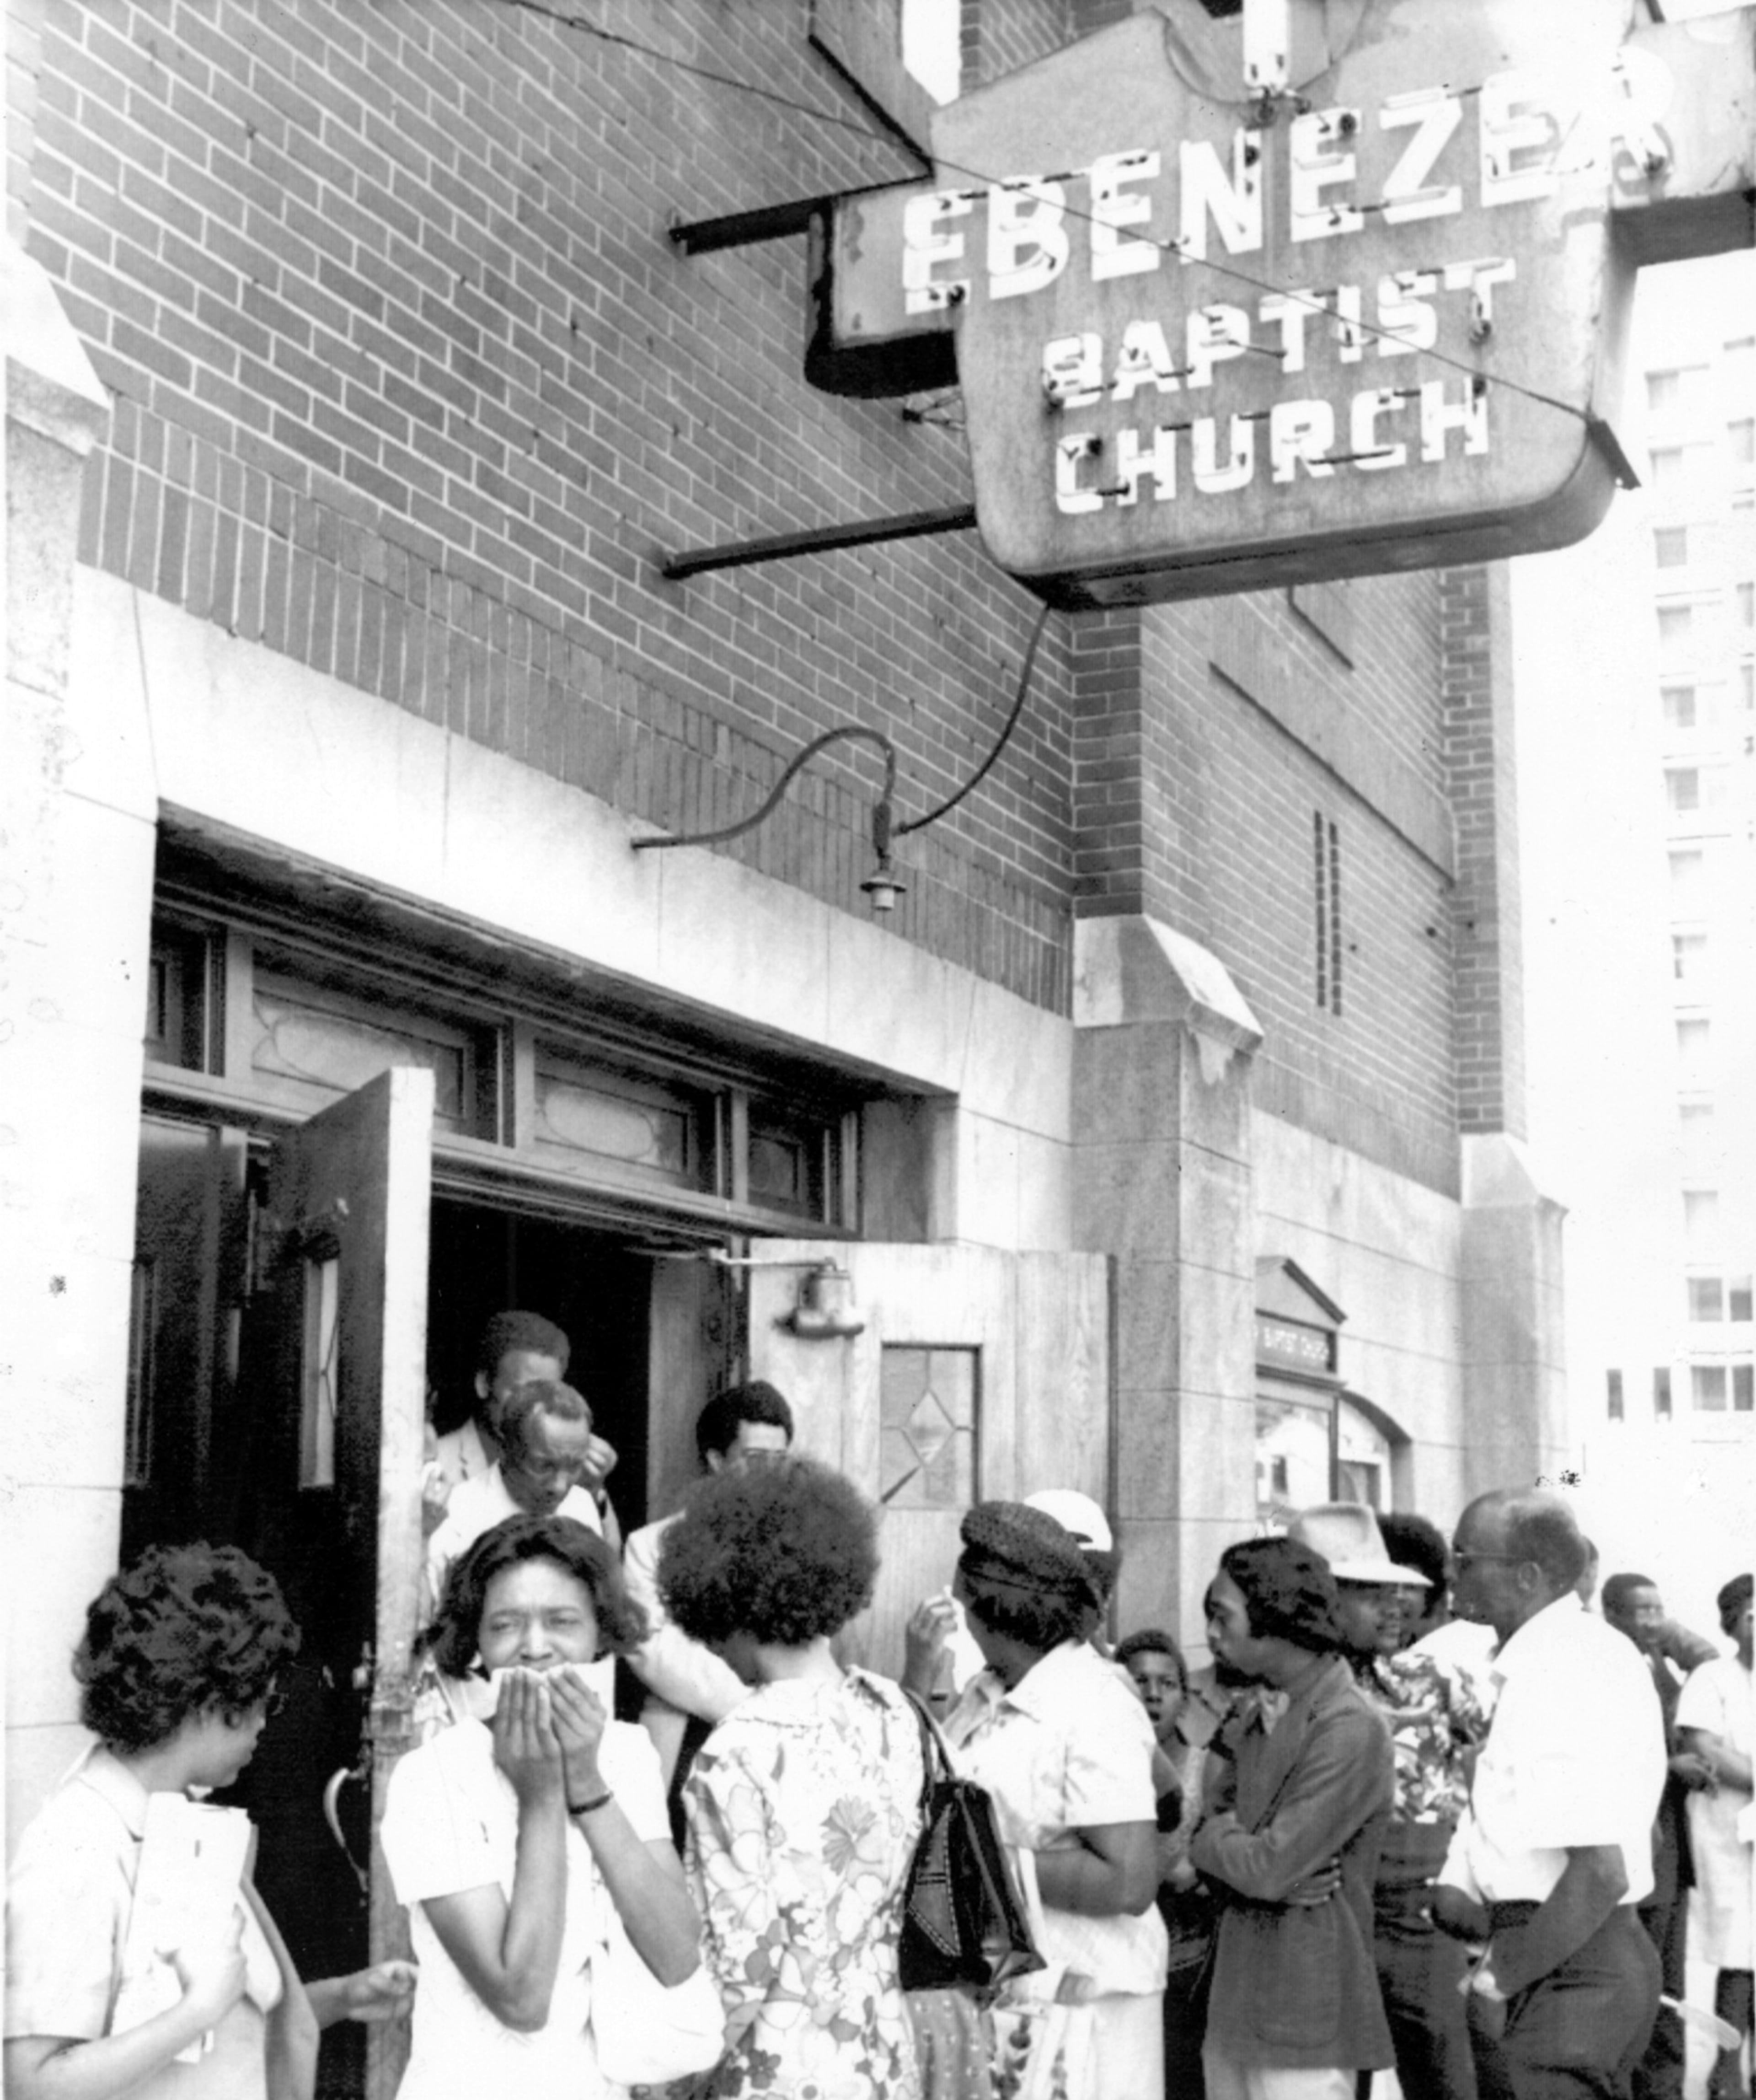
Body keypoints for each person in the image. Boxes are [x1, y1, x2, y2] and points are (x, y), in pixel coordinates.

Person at [4, 1542, 414, 2100]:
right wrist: (194, 2012)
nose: (264, 1726)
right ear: (206, 1702)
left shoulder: (178, 1818)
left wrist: (342, 1997)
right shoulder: (77, 1846)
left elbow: (219, 2040)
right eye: (264, 1703)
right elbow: (33, 2084)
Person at [380, 1513, 700, 2100]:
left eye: (561, 1622)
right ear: (475, 1640)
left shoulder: (626, 1754)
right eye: (505, 1625)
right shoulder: (432, 1777)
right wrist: (544, 1797)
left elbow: (678, 1955)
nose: (533, 1648)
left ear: (600, 1634)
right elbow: (521, 1998)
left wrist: (587, 1783)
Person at [658, 1454, 925, 2100]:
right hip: (882, 2056)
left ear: (727, 1595)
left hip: (775, 2072)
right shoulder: (895, 1711)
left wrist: (675, 2079)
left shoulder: (737, 1751)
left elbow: (741, 1964)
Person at [1434, 1489, 1667, 2100]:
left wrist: (1498, 1980)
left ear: (1528, 1574)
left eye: (1465, 1557)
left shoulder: (1557, 1667)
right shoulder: (1570, 1652)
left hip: (1569, 1963)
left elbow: (1599, 1870)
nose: (1450, 1573)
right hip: (1573, 1953)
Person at [936, 1501, 1167, 2100]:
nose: (962, 1617)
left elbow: (1128, 1878)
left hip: (1093, 2003)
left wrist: (980, 1862)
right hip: (1015, 1997)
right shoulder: (986, 1692)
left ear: (994, 1606)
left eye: (965, 1602)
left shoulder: (1093, 1703)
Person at [1289, 1503, 1487, 2100]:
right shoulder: (1274, 1695)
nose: (1396, 1604)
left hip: (1419, 1908)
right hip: (1317, 1910)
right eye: (1371, 1592)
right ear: (1319, 1600)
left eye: (1396, 1590)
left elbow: (1503, 1770)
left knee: (1442, 2070)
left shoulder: (1433, 1681)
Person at [1189, 1535, 1395, 2100]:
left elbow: (1265, 1867)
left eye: (1221, 1616)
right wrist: (1226, 1845)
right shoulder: (1259, 1707)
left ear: (1275, 1616)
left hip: (1308, 2015)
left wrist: (1218, 1842)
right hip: (1236, 2000)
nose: (1211, 1634)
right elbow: (1211, 1826)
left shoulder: (1349, 1725)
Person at [621, 1379, 794, 1815]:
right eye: (755, 1459)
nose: (769, 1473)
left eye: (780, 1460)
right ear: (717, 1460)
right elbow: (653, 1651)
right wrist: (750, 1707)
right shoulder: (650, 1546)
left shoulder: (799, 1546)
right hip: (684, 1740)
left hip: (784, 1743)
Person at [1601, 1572, 1719, 2100]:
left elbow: (1710, 1657)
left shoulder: (1656, 1660)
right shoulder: (1605, 1663)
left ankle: (1664, 2090)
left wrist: (1661, 1630)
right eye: (1640, 1610)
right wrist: (1674, 1764)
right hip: (1632, 1836)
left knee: (1669, 1978)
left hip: (1669, 1838)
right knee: (1639, 1974)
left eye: (1658, 1608)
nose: (1652, 1619)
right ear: (1612, 1614)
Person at [1117, 1628, 1213, 2100]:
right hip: (1115, 1953)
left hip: (1187, 1963)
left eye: (1167, 1683)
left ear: (1185, 1696)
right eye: (1140, 1681)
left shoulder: (1208, 1764)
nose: (1153, 1694)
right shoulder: (1102, 1762)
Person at [431, 1312, 619, 1546]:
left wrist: (593, 1491)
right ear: (484, 1385)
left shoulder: (572, 1469)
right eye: (524, 1391)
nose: (535, 1407)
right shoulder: (435, 1462)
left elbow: (607, 1566)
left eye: (549, 1392)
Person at [1675, 1574, 1753, 2100]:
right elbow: (1704, 1745)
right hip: (1729, 1830)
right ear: (1733, 1623)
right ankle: (1726, 2073)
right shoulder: (1713, 1676)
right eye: (1753, 1616)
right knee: (1738, 1949)